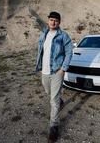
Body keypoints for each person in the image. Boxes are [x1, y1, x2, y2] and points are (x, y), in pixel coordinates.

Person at [35, 11, 73, 142]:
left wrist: (63, 69)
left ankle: (53, 127)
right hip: (44, 72)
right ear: (48, 21)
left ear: (59, 22)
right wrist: (40, 67)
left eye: (56, 20)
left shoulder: (63, 36)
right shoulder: (44, 33)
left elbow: (69, 53)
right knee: (48, 92)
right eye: (51, 20)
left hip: (57, 72)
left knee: (53, 101)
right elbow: (41, 51)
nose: (53, 22)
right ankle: (60, 101)